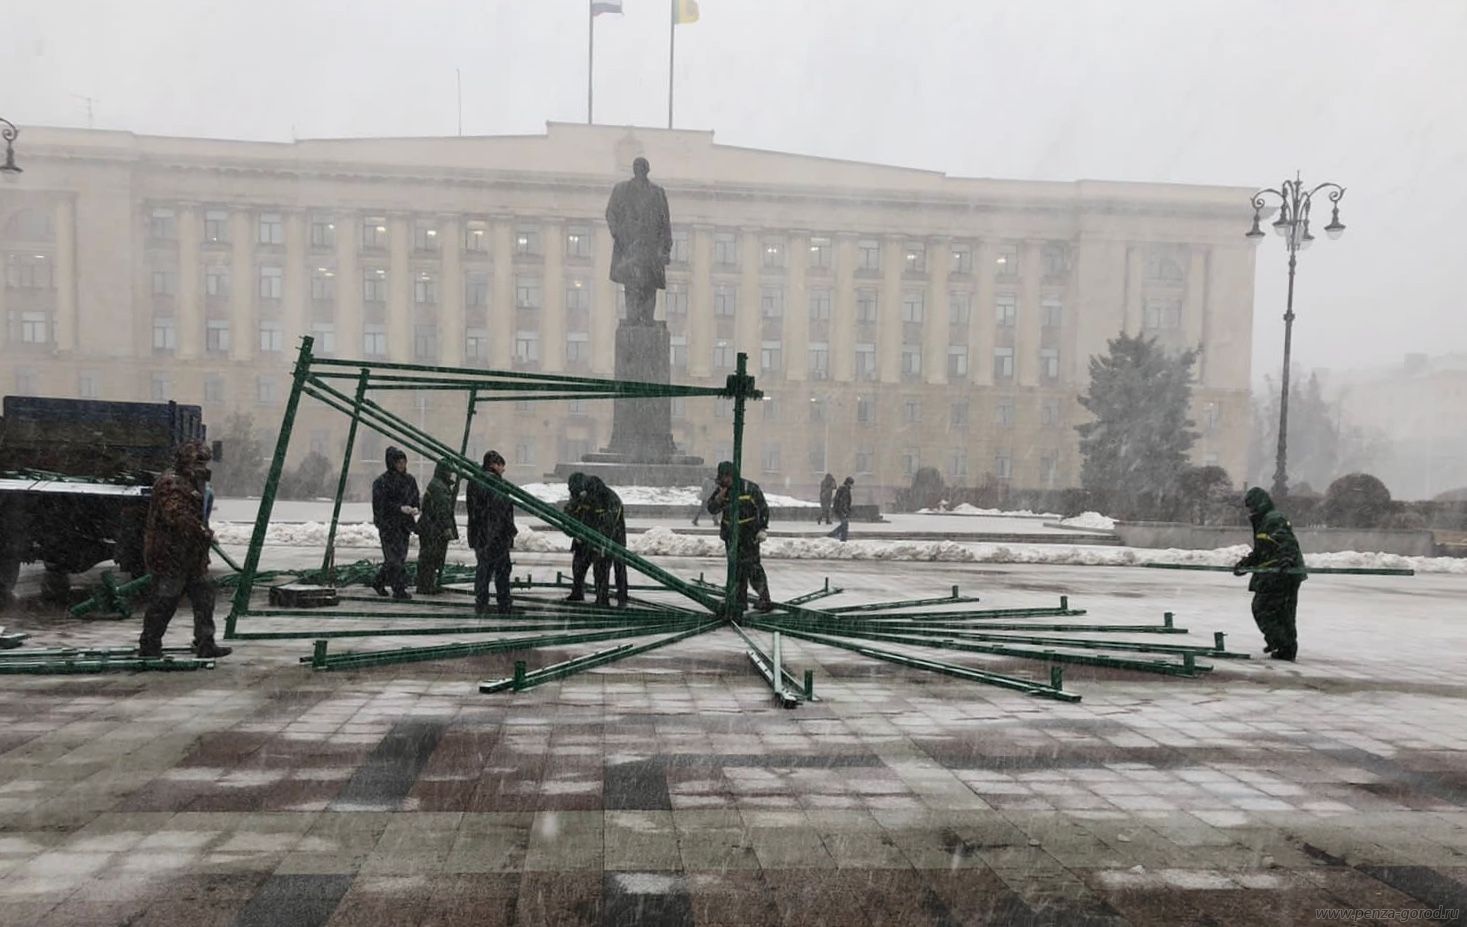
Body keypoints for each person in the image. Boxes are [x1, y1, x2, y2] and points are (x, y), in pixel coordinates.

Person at [138, 441, 231, 658]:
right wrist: (200, 531)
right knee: (165, 601)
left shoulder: (193, 483)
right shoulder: (171, 483)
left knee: (204, 598)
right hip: (170, 554)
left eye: (204, 462)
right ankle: (149, 646)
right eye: (199, 461)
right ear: (186, 461)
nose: (203, 467)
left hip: (191, 555)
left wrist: (201, 533)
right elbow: (176, 515)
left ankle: (206, 643)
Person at [1232, 486, 1307, 661]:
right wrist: (1246, 564)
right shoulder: (1264, 520)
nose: (1250, 510)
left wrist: (1286, 561)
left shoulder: (1273, 519)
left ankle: (1283, 645)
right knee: (1281, 612)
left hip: (1282, 572)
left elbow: (1286, 543)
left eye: (1251, 505)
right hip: (1278, 571)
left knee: (1264, 608)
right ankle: (1284, 646)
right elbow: (1262, 550)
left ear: (1259, 503)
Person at [605, 156, 672, 325]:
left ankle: (648, 319)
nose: (640, 170)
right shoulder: (621, 190)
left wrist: (665, 248)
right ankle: (633, 319)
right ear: (633, 169)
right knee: (632, 284)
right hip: (629, 246)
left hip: (651, 248)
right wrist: (618, 233)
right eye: (637, 167)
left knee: (650, 285)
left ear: (647, 170)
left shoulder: (657, 192)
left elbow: (665, 222)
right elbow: (611, 213)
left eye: (643, 167)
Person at [706, 460, 773, 612]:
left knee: (752, 568)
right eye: (722, 478)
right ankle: (739, 601)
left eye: (726, 477)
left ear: (732, 475)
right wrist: (719, 498)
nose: (724, 481)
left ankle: (764, 599)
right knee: (735, 570)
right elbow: (711, 509)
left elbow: (763, 508)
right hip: (731, 536)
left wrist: (762, 528)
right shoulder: (723, 490)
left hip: (749, 536)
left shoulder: (749, 489)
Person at [467, 450, 517, 616]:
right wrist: (507, 531)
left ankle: (481, 603)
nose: (503, 470)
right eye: (502, 466)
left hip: (481, 534)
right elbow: (500, 512)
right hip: (496, 535)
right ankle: (504, 604)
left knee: (484, 569)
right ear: (494, 465)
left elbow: (475, 510)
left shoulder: (475, 481)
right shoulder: (494, 483)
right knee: (502, 570)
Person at [371, 446, 419, 600]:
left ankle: (379, 581)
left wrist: (415, 508)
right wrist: (399, 508)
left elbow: (415, 497)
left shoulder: (409, 480)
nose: (402, 465)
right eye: (398, 462)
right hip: (388, 526)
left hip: (403, 525)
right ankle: (399, 590)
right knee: (394, 559)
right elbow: (380, 505)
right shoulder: (381, 482)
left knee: (398, 558)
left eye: (404, 462)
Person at [415, 457, 458, 595]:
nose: (450, 474)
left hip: (430, 526)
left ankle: (426, 584)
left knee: (429, 558)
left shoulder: (438, 484)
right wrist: (447, 528)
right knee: (430, 558)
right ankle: (426, 586)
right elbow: (443, 510)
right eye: (449, 471)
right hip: (433, 528)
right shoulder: (439, 487)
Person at [585, 475, 629, 608]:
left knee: (618, 568)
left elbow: (610, 521)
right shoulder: (596, 495)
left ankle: (622, 595)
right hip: (602, 539)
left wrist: (603, 540)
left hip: (615, 539)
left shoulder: (611, 498)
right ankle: (602, 597)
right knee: (600, 568)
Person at [561, 472, 595, 602]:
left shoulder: (590, 496)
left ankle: (595, 595)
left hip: (590, 537)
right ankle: (577, 592)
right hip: (581, 538)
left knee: (588, 567)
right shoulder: (577, 496)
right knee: (578, 567)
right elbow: (571, 512)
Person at [828, 476, 855, 542]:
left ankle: (835, 535)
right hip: (840, 510)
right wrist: (845, 510)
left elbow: (840, 500)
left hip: (839, 509)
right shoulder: (844, 489)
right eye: (851, 483)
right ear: (848, 483)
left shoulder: (844, 488)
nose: (851, 485)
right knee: (845, 524)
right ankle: (841, 538)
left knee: (844, 524)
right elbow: (843, 501)